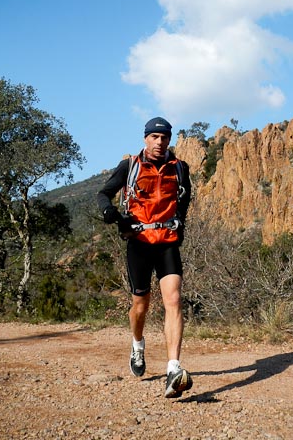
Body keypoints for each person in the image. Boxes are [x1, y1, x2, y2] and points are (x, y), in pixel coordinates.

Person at [97, 116, 193, 399]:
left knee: (173, 300)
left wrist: (181, 226)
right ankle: (137, 344)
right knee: (141, 304)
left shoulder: (180, 168)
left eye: (164, 138)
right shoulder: (130, 166)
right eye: (155, 137)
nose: (160, 142)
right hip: (138, 243)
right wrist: (108, 212)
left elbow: (184, 200)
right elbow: (104, 193)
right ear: (145, 138)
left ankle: (173, 368)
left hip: (167, 244)